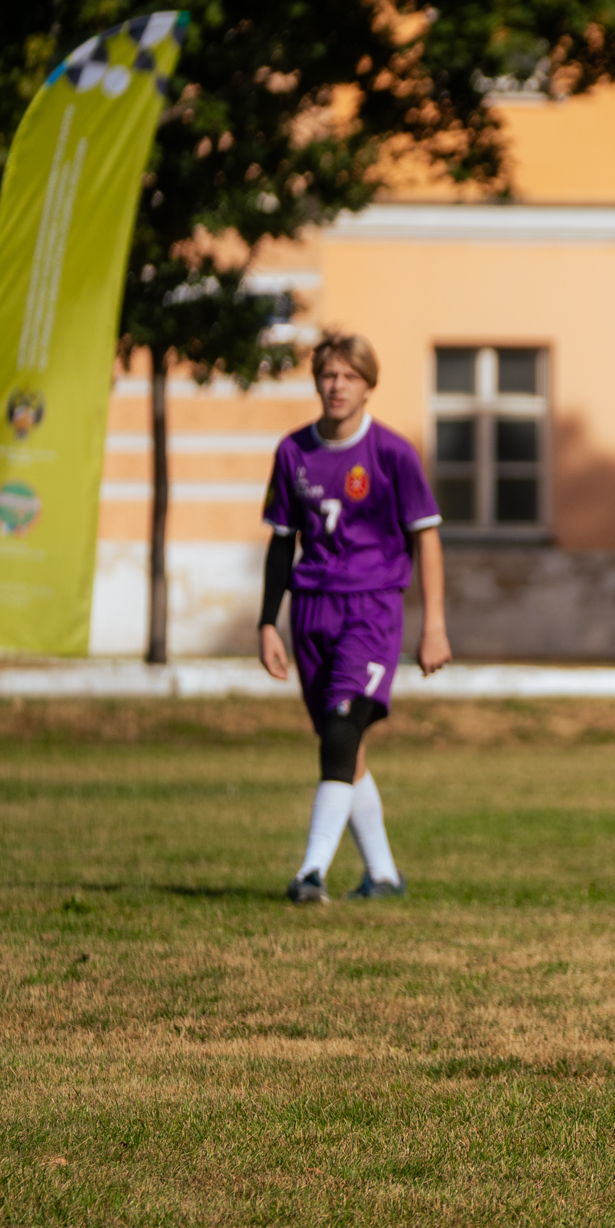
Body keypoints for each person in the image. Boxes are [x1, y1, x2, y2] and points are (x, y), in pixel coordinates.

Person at [258, 332, 452, 902]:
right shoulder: (293, 452)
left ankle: (310, 873)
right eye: (328, 375)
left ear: (369, 385)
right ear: (317, 381)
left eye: (349, 376)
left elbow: (427, 537)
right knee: (345, 746)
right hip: (311, 610)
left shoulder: (392, 453)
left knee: (342, 732)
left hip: (372, 610)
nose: (337, 386)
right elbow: (280, 542)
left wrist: (433, 624)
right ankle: (385, 877)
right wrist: (269, 621)